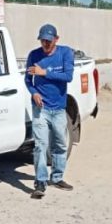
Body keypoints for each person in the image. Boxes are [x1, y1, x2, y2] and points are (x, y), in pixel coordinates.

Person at [24, 23, 75, 199]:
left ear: (56, 39)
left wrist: (44, 72)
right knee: (40, 145)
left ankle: (57, 177)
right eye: (42, 41)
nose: (45, 44)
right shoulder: (34, 55)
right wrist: (34, 93)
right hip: (41, 108)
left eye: (48, 41)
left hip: (59, 107)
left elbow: (68, 76)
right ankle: (40, 181)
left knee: (60, 143)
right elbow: (28, 80)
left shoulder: (65, 53)